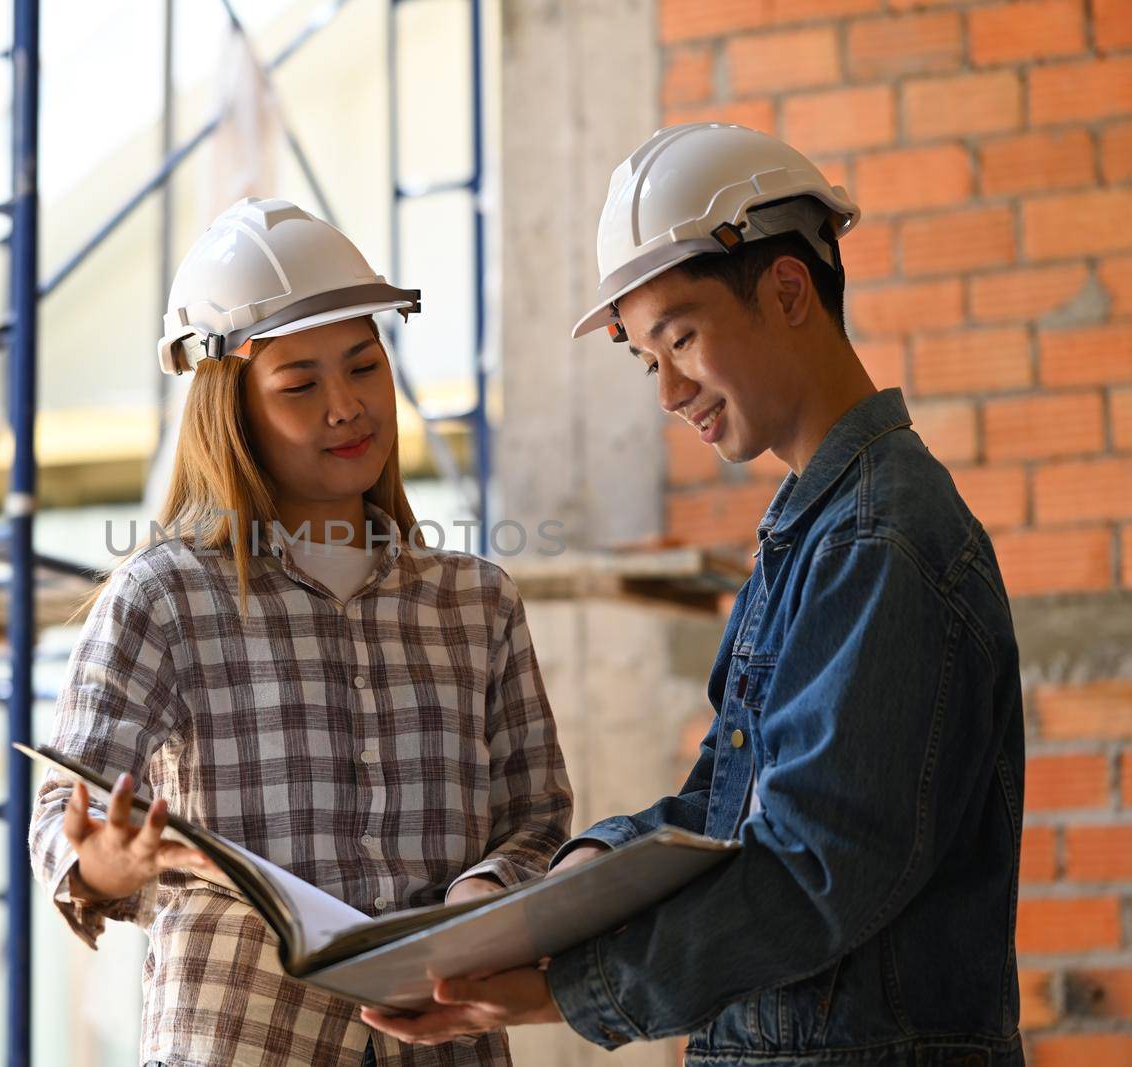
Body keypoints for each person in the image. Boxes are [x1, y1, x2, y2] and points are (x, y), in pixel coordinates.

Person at [363, 123, 1026, 1066]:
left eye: (681, 336)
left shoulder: (879, 541)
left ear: (788, 290)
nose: (668, 389)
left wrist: (562, 988)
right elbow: (729, 806)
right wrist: (589, 868)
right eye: (645, 359)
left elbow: (811, 871)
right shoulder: (814, 531)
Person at [29, 196, 573, 1066]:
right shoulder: (165, 596)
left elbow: (537, 815)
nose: (346, 407)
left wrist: (480, 898)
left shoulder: (477, 603)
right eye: (300, 384)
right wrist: (109, 862)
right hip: (244, 1043)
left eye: (364, 366)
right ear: (232, 410)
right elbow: (65, 819)